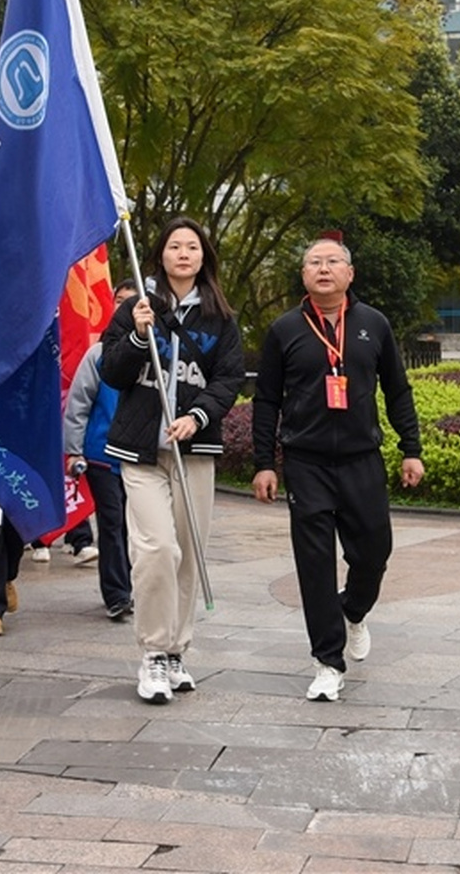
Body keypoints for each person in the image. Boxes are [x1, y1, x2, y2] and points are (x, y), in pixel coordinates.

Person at [251, 236, 424, 702]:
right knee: (314, 564)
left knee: (374, 553)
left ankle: (354, 611)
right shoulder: (285, 329)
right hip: (305, 462)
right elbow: (266, 400)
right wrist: (264, 463)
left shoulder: (373, 325)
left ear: (350, 273)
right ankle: (327, 661)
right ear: (304, 275)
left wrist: (412, 448)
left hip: (361, 458)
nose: (323, 268)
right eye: (314, 262)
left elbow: (397, 390)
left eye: (332, 261)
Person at [101, 218, 245, 704]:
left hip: (193, 452)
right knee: (157, 549)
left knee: (188, 551)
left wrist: (199, 416)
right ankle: (154, 653)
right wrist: (139, 334)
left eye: (193, 246)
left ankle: (179, 649)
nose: (184, 253)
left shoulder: (220, 317)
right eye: (174, 246)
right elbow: (113, 372)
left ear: (204, 256)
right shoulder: (137, 308)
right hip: (140, 451)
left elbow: (229, 378)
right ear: (160, 254)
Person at [64, 282, 136, 620]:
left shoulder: (159, 350)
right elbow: (78, 403)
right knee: (111, 523)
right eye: (120, 301)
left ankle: (138, 587)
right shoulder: (99, 354)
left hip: (142, 456)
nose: (127, 307)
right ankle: (117, 594)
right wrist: (74, 450)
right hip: (102, 454)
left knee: (138, 527)